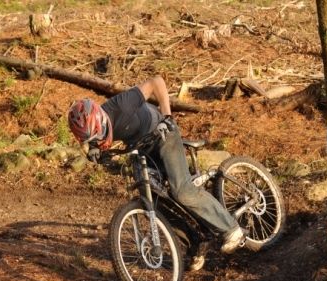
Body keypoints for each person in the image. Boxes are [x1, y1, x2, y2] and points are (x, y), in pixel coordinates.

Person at [67, 76, 245, 254]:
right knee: (151, 200)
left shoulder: (121, 105)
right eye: (91, 139)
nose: (98, 140)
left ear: (100, 118)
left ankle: (230, 229)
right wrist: (93, 151)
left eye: (98, 135)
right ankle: (196, 243)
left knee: (182, 190)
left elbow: (156, 82)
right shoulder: (91, 132)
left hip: (161, 133)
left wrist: (167, 116)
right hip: (138, 147)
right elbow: (93, 144)